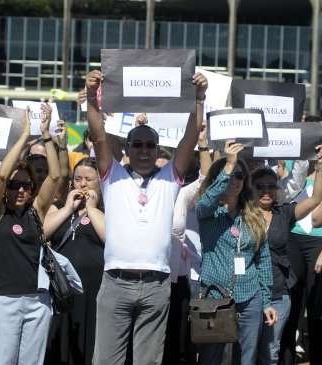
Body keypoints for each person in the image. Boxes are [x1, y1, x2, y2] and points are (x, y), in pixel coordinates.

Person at [85, 69, 207, 364]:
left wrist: (199, 98)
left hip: (156, 286)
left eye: (150, 145)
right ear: (126, 149)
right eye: (137, 144)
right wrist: (91, 97)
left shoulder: (169, 177)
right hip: (115, 282)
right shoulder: (112, 176)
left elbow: (190, 138)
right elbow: (99, 136)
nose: (143, 150)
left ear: (157, 149)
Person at [0, 103, 60, 365]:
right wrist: (24, 138)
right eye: (15, 186)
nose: (20, 190)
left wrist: (46, 134)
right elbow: (3, 176)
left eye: (26, 185)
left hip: (37, 300)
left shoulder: (35, 212)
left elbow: (56, 175)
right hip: (4, 301)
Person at [196, 141, 277, 365]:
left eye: (240, 175)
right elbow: (204, 203)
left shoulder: (253, 215)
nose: (236, 180)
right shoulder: (209, 213)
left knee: (246, 359)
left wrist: (267, 301)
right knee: (211, 358)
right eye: (232, 175)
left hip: (250, 296)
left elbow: (263, 260)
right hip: (215, 296)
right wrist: (229, 166)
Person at [254, 146, 322, 365]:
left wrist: (321, 168)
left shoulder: (284, 213)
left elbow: (315, 200)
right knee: (246, 349)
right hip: (247, 291)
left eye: (271, 186)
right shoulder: (242, 213)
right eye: (260, 187)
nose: (266, 192)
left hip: (278, 291)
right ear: (251, 189)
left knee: (271, 350)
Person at [44, 158, 105, 365]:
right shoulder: (59, 206)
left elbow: (109, 237)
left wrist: (92, 208)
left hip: (94, 288)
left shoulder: (106, 209)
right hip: (62, 289)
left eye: (89, 179)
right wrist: (69, 208)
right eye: (78, 179)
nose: (83, 184)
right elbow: (43, 233)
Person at [164, 122, 212, 365]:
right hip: (147, 281)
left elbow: (205, 180)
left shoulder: (180, 193)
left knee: (179, 341)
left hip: (177, 279)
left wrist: (202, 144)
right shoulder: (137, 193)